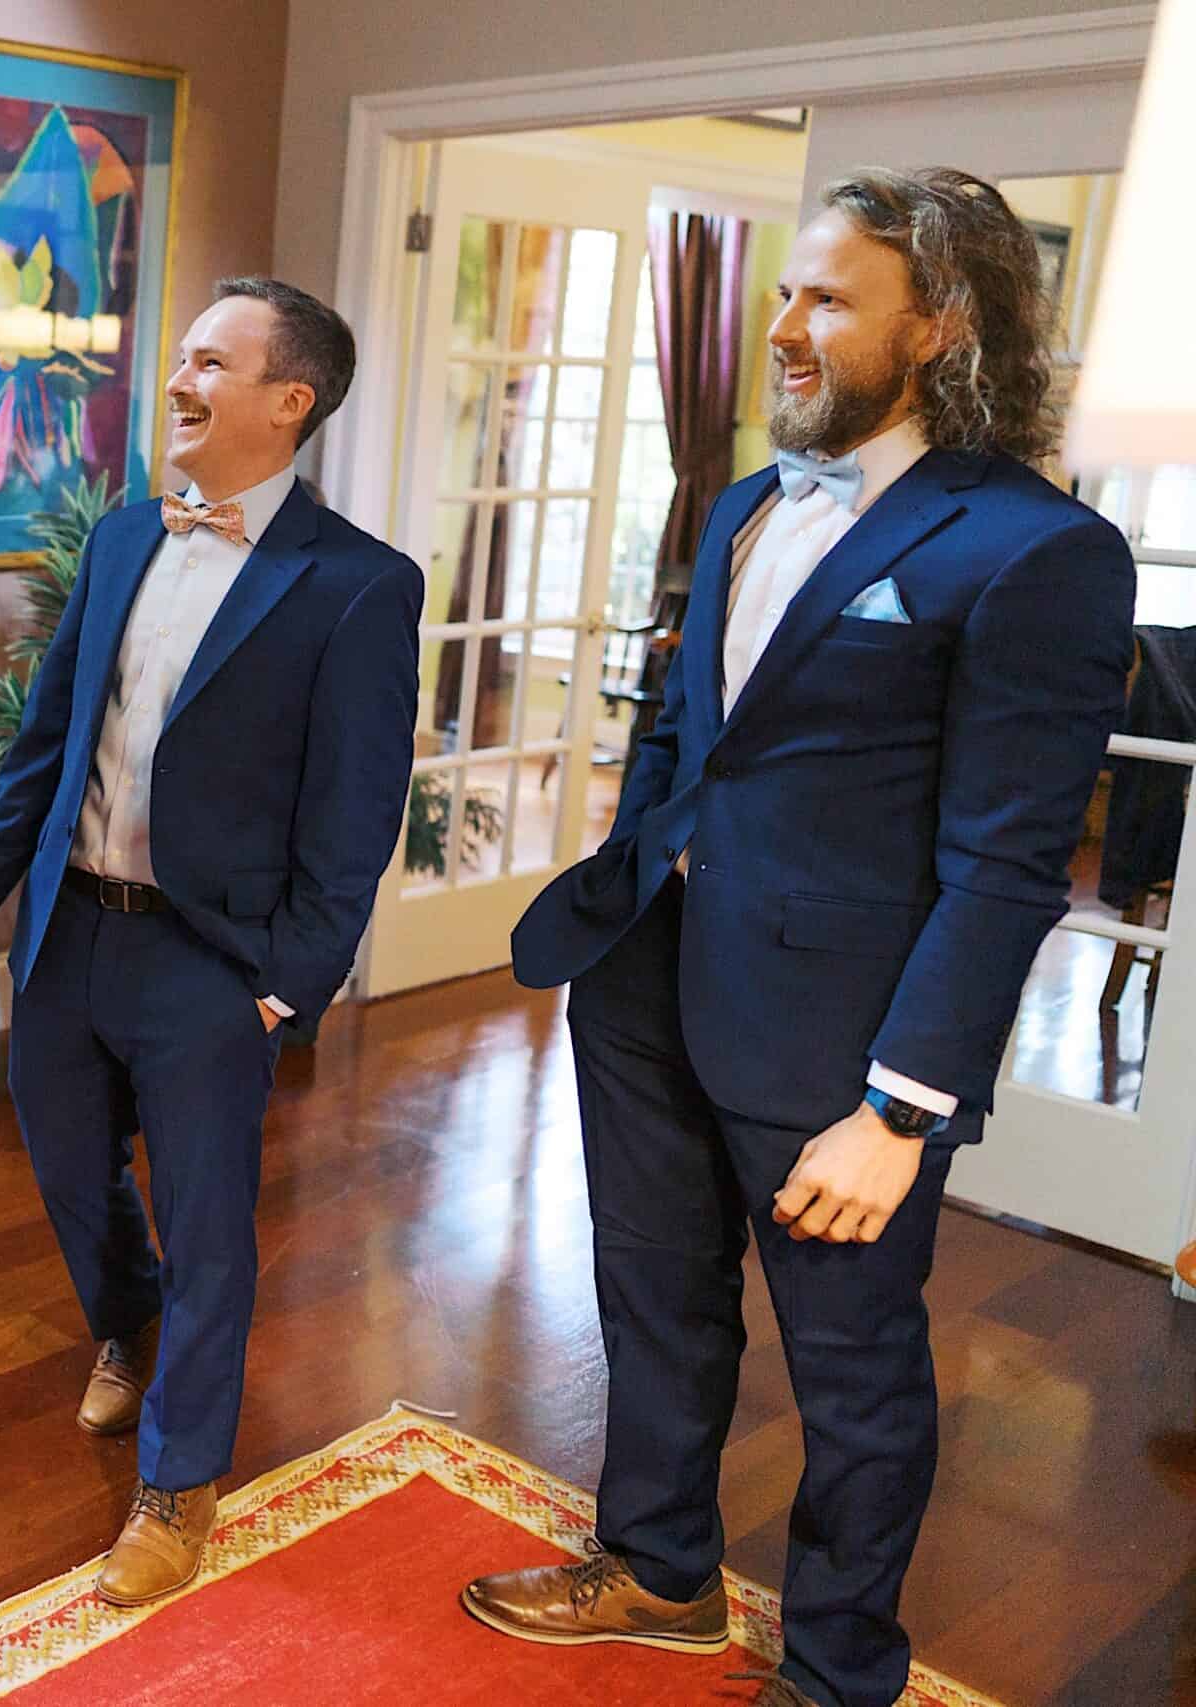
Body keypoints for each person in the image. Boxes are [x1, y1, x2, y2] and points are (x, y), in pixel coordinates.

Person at [464, 168, 1135, 1707]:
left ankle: (839, 1673)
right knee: (653, 1298)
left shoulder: (1037, 550)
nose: (783, 326)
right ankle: (658, 1572)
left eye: (829, 299)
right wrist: (629, 866)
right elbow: (686, 727)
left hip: (839, 1041)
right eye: (786, 288)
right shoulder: (751, 501)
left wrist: (903, 1108)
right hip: (647, 972)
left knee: (853, 1370)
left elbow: (1008, 865)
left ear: (941, 325)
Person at [0, 278, 421, 1606]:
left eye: (210, 363)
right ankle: (128, 1325)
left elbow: (356, 814)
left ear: (289, 400)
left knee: (211, 1226)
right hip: (69, 932)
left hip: (212, 963)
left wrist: (287, 989)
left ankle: (178, 1488)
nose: (177, 382)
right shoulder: (129, 535)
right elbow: (51, 740)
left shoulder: (360, 585)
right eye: (183, 358)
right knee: (72, 1171)